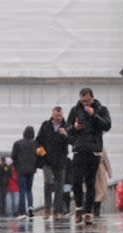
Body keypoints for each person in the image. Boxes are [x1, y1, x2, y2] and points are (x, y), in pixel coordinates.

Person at [67, 87, 112, 225]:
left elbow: (107, 126)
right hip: (79, 150)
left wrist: (93, 115)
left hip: (93, 150)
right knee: (76, 181)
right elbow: (67, 130)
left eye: (87, 101)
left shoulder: (101, 109)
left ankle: (88, 212)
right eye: (82, 101)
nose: (85, 104)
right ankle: (79, 208)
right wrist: (74, 127)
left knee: (90, 182)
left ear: (92, 98)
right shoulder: (75, 110)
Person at [36, 106, 70, 219]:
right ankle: (47, 209)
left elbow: (72, 140)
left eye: (61, 115)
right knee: (48, 183)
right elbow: (38, 140)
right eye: (57, 116)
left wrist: (66, 134)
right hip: (47, 160)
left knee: (59, 186)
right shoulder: (46, 125)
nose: (59, 118)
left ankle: (57, 211)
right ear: (53, 115)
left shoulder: (66, 126)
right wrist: (40, 150)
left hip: (60, 161)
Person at [10, 126, 39, 218]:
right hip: (31, 170)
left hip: (21, 170)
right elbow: (40, 155)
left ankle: (22, 211)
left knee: (22, 191)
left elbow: (13, 156)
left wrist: (16, 165)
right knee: (29, 190)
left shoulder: (18, 143)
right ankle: (30, 207)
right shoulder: (36, 144)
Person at [92, 151, 113, 216]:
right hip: (90, 170)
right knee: (91, 190)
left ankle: (96, 209)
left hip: (100, 171)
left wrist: (109, 172)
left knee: (100, 192)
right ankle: (92, 209)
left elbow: (105, 159)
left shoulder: (101, 147)